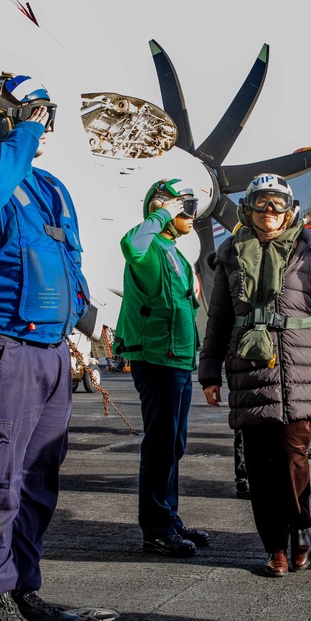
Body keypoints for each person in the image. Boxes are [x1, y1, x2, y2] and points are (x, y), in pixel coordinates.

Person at [0, 72, 107, 621]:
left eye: (48, 115)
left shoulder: (51, 188)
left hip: (50, 354)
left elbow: (71, 261)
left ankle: (21, 585)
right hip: (1, 352)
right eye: (32, 113)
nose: (43, 127)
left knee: (38, 479)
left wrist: (79, 327)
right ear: (1, 117)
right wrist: (12, 139)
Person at [198, 173, 311, 577]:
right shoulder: (230, 254)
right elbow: (220, 319)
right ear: (248, 209)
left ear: (290, 208)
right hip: (249, 370)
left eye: (277, 203)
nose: (269, 212)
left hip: (300, 368)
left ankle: (299, 531)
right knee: (259, 465)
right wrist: (209, 372)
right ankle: (274, 546)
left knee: (294, 457)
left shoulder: (310, 250)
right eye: (261, 203)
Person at [113, 178, 210, 558]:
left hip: (178, 359)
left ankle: (168, 516)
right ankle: (155, 528)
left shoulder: (171, 250)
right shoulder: (149, 246)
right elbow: (130, 244)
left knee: (174, 443)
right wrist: (163, 212)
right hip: (156, 359)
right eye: (183, 206)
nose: (191, 214)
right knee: (160, 445)